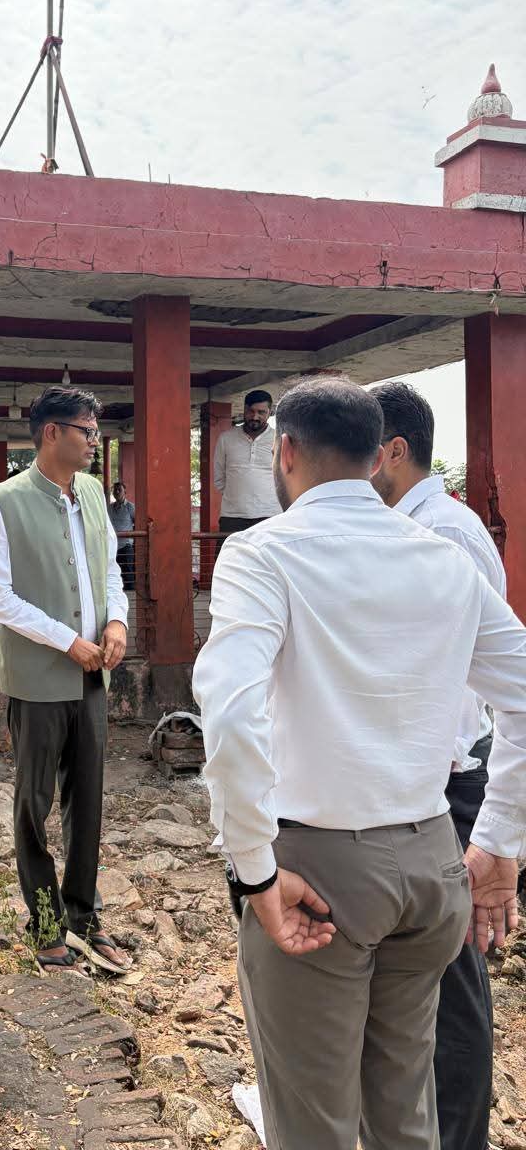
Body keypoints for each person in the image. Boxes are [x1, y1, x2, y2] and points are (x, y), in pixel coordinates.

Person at [193, 375, 526, 1150]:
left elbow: (233, 718)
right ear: (378, 457)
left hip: (319, 869)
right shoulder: (442, 558)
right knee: (404, 1112)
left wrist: (256, 871)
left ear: (285, 453)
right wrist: (499, 838)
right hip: (431, 861)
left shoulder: (263, 554)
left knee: (312, 1121)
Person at [371, 380, 504, 1150]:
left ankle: (460, 1137)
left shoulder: (445, 532)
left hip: (448, 781)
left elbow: (479, 670)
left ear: (393, 451)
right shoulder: (409, 527)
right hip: (417, 778)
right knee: (419, 972)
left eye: (360, 451)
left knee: (454, 980)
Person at [0, 387, 130, 974]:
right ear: (52, 433)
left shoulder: (90, 492)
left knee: (87, 801)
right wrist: (66, 640)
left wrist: (116, 621)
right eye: (86, 431)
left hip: (94, 677)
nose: (94, 441)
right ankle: (44, 923)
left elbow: (109, 567)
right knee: (34, 805)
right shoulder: (5, 501)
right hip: (39, 677)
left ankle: (84, 915)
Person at [213, 389, 280, 535]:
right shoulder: (226, 438)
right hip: (232, 517)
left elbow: (286, 477)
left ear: (269, 412)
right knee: (229, 551)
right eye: (251, 411)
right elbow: (219, 479)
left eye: (261, 412)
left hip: (271, 516)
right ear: (244, 409)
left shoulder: (279, 439)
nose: (255, 417)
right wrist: (238, 498)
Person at [107, 481, 136, 590]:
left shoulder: (130, 507)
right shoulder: (109, 508)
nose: (117, 492)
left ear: (125, 492)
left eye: (119, 490)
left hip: (126, 546)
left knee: (128, 572)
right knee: (114, 572)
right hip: (112, 545)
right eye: (115, 490)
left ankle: (130, 595)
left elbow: (137, 523)